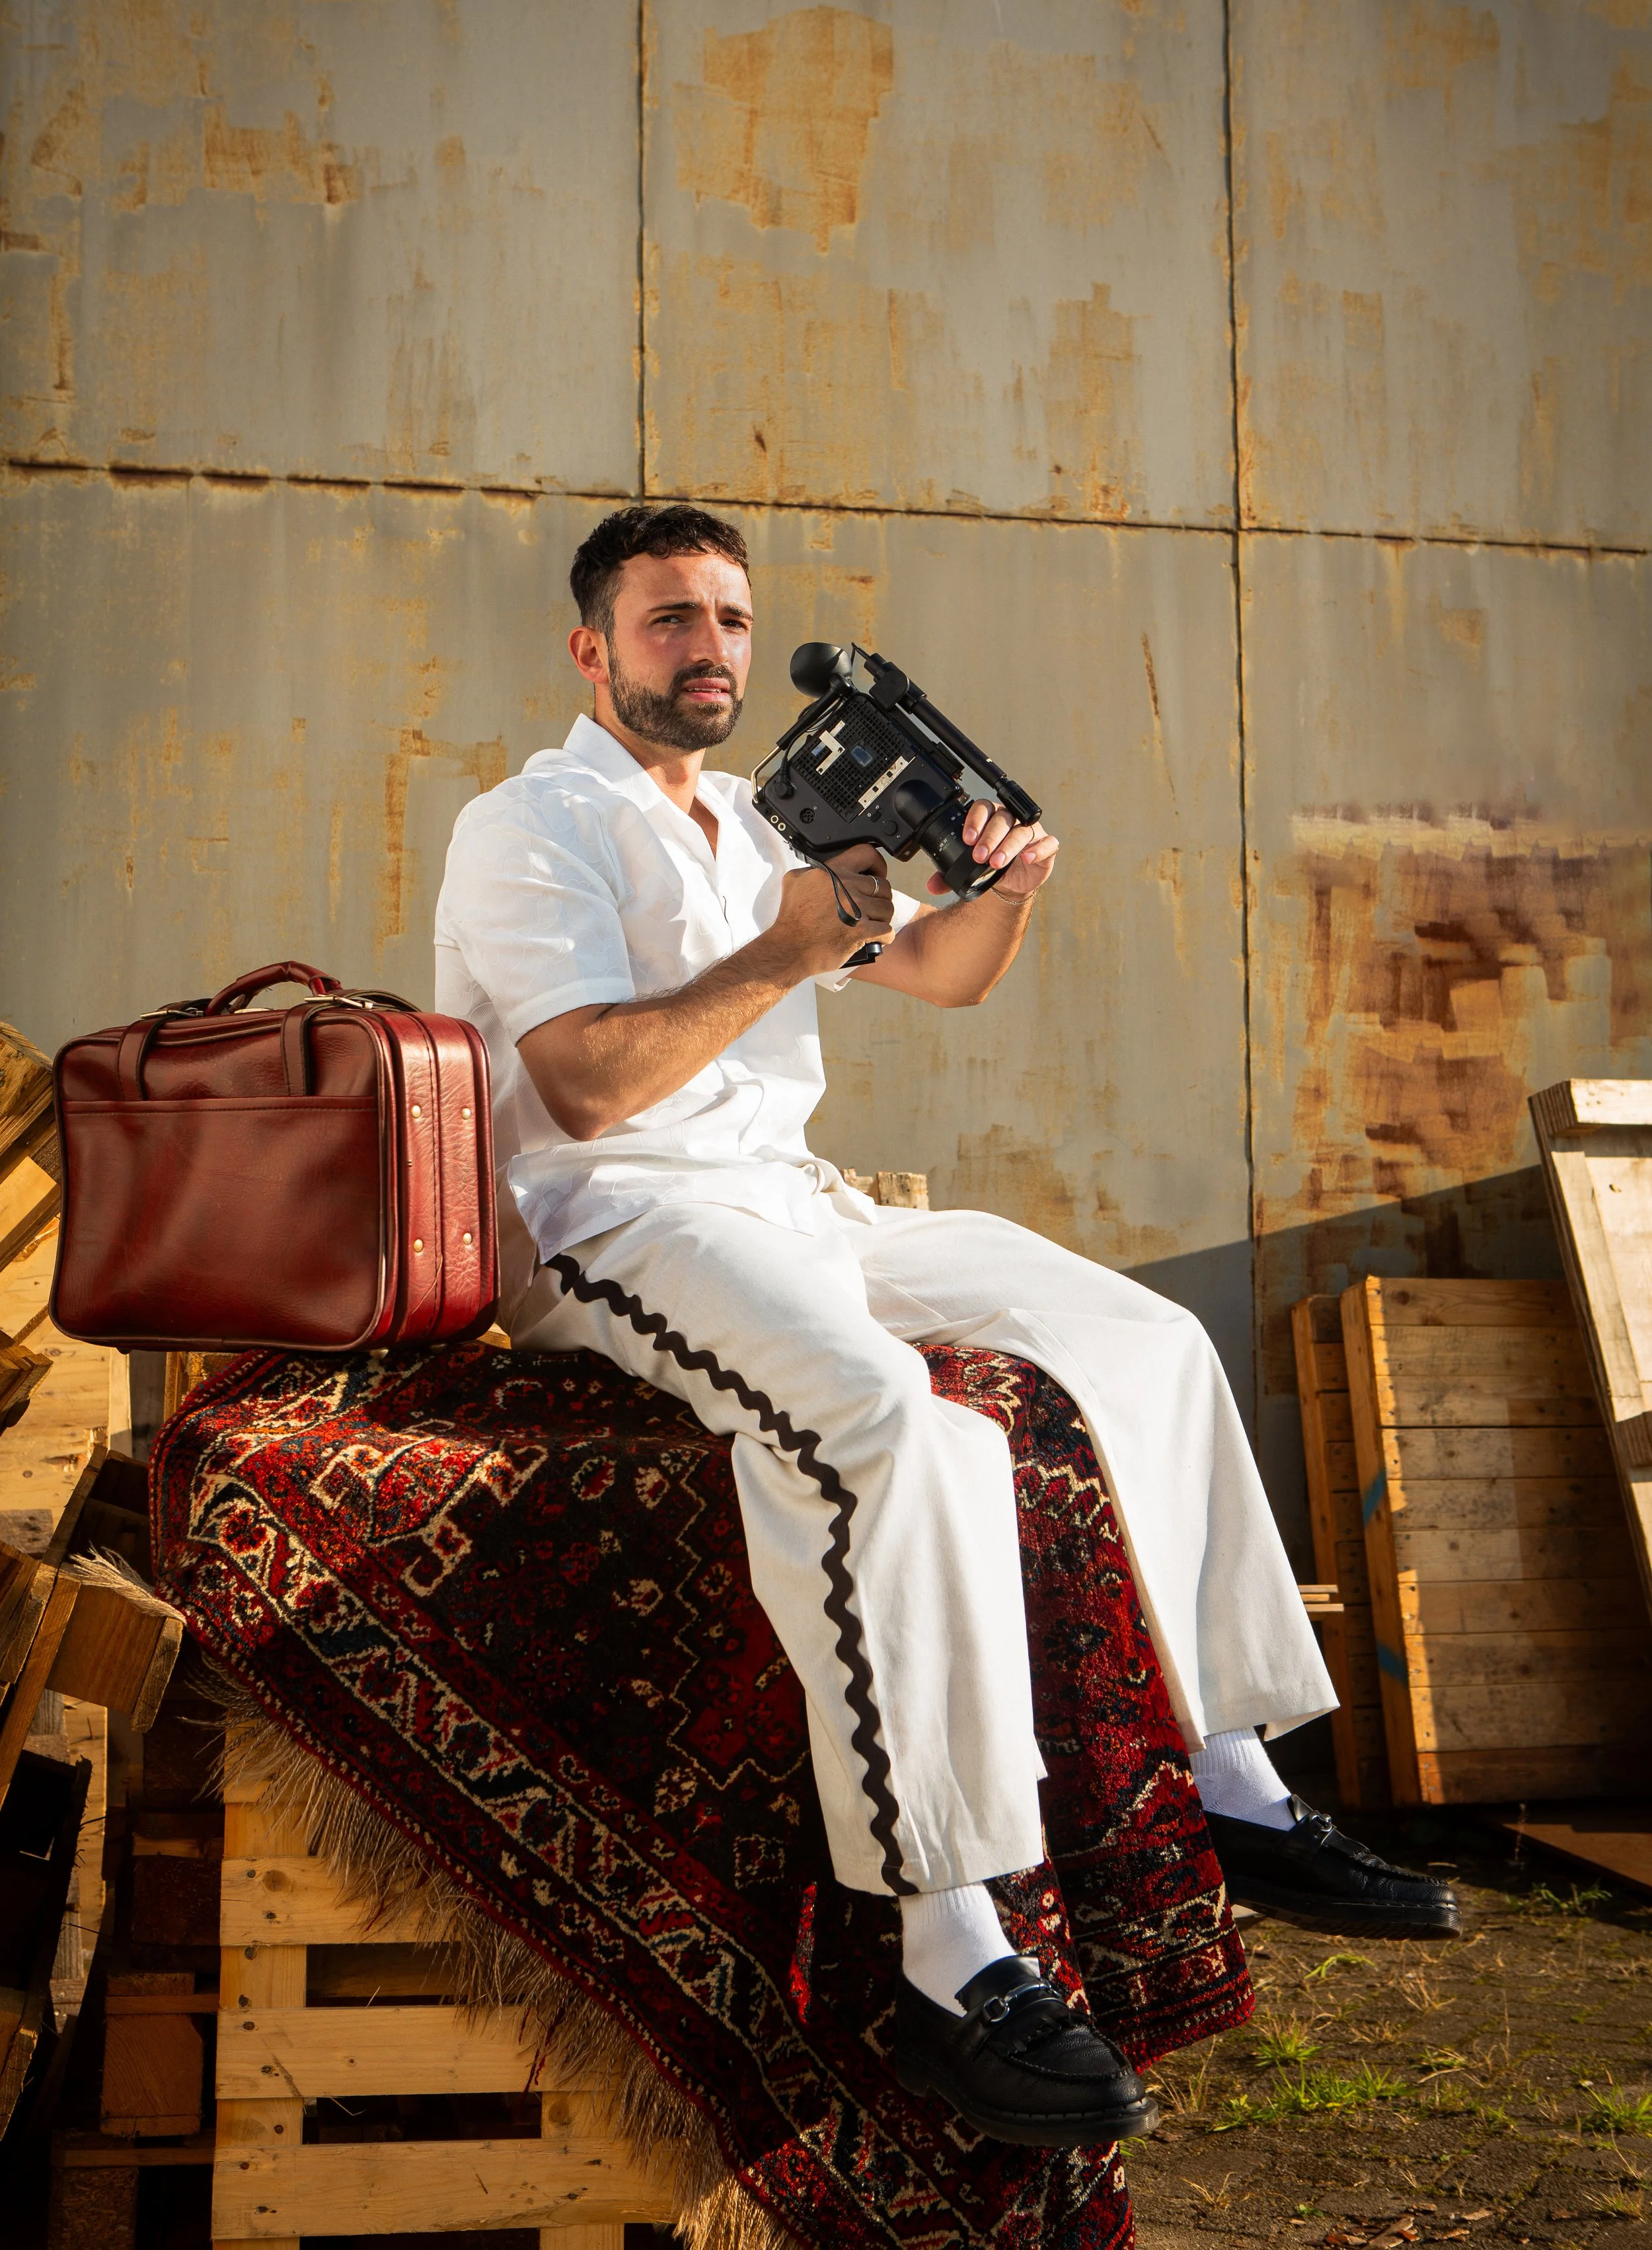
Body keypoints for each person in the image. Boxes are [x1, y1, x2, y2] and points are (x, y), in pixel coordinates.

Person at [433, 504, 1457, 2148]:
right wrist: (780, 954)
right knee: (896, 1427)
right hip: (618, 1214)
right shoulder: (530, 824)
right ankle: (952, 1941)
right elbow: (584, 1084)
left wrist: (1010, 887)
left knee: (1140, 1340)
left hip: (796, 1198)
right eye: (667, 622)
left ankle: (1231, 1774)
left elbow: (942, 973)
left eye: (728, 623)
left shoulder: (769, 825)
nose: (708, 651)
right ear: (592, 649)